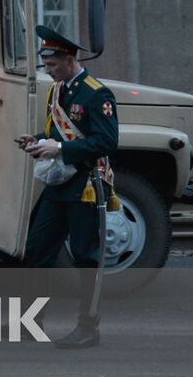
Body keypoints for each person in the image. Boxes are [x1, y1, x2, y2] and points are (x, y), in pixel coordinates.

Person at [19, 25, 119, 349]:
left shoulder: (96, 93)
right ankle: (30, 322)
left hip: (86, 183)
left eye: (52, 65)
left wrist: (60, 150)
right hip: (59, 183)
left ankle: (88, 327)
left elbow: (106, 141)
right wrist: (37, 140)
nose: (47, 71)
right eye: (45, 64)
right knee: (37, 249)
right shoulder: (58, 91)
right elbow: (57, 130)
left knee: (86, 257)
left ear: (69, 58)